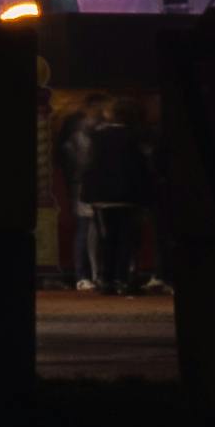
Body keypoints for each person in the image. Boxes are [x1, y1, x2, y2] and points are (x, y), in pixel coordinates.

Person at [80, 100, 156, 292]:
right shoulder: (135, 137)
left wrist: (88, 195)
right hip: (128, 197)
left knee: (107, 239)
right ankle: (120, 279)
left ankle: (105, 278)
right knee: (125, 239)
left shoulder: (98, 137)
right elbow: (141, 169)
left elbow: (90, 166)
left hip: (103, 198)